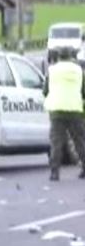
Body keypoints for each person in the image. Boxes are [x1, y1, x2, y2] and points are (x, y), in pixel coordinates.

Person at [43, 46, 85, 181]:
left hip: (57, 109)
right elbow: (83, 90)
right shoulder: (79, 71)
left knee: (56, 142)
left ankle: (55, 172)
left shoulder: (52, 70)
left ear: (59, 56)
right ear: (71, 56)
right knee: (79, 141)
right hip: (75, 109)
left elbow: (45, 90)